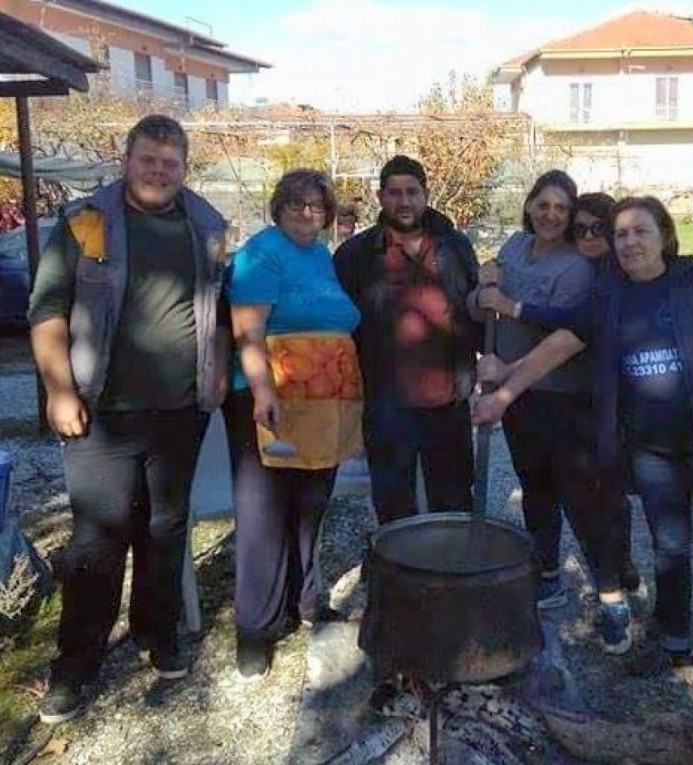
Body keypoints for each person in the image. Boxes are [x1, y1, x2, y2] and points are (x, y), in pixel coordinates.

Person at [474, 195, 693, 704]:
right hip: (652, 450)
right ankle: (674, 643)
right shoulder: (607, 298)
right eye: (621, 234)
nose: (629, 242)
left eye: (639, 231)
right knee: (669, 549)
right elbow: (556, 347)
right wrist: (505, 396)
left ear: (664, 236)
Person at [28, 114, 230, 723]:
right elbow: (48, 311)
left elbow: (216, 309)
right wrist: (59, 389)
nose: (159, 171)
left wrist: (217, 368)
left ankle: (154, 631)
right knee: (99, 536)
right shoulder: (85, 222)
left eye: (170, 163)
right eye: (149, 159)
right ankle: (77, 662)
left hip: (180, 411)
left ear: (184, 168)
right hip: (101, 411)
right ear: (127, 159)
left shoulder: (206, 225)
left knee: (167, 527)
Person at [475, 191, 640, 652]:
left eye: (594, 228)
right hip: (526, 398)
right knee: (536, 487)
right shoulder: (514, 246)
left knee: (586, 503)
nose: (586, 234)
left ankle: (613, 600)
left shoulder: (592, 273)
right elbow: (485, 297)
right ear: (527, 206)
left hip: (571, 401)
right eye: (580, 227)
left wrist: (507, 365)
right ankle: (548, 573)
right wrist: (485, 279)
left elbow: (563, 336)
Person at [224, 169, 362, 680]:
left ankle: (304, 602)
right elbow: (248, 330)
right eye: (297, 204)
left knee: (310, 507)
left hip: (323, 407)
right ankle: (255, 631)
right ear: (277, 206)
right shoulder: (261, 253)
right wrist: (262, 392)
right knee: (264, 516)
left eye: (317, 206)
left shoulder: (320, 256)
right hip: (272, 402)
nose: (308, 213)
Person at [334, 155, 480, 523]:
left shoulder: (455, 247)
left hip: (448, 400)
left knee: (454, 502)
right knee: (394, 505)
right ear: (380, 197)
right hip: (386, 404)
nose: (404, 201)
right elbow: (342, 327)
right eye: (394, 193)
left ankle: (452, 575)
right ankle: (401, 577)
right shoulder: (356, 255)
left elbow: (475, 310)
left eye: (412, 192)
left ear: (425, 194)